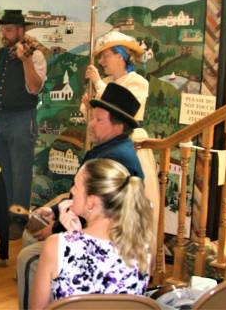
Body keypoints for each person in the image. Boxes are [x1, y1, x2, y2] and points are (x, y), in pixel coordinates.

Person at [17, 83, 144, 309]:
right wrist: (54, 212)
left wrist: (55, 230)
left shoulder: (115, 158)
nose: (91, 125)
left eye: (99, 120)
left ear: (118, 125)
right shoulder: (107, 149)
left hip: (100, 236)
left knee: (28, 258)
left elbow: (95, 210)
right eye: (92, 118)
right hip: (99, 232)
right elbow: (84, 198)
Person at [30, 158, 153, 309]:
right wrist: (77, 234)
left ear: (91, 202)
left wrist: (73, 237)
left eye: (76, 185)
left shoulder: (56, 246)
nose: (72, 191)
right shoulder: (143, 250)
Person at [84, 30, 160, 257]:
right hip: (104, 143)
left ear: (121, 56)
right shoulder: (106, 82)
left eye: (106, 55)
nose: (102, 61)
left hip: (130, 142)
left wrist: (98, 85)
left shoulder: (138, 82)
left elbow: (126, 110)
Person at [0, 9, 47, 239]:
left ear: (21, 30)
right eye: (2, 30)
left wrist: (25, 60)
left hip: (22, 118)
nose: (3, 35)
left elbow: (35, 87)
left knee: (21, 172)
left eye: (8, 30)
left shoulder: (36, 56)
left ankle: (18, 218)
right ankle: (1, 215)